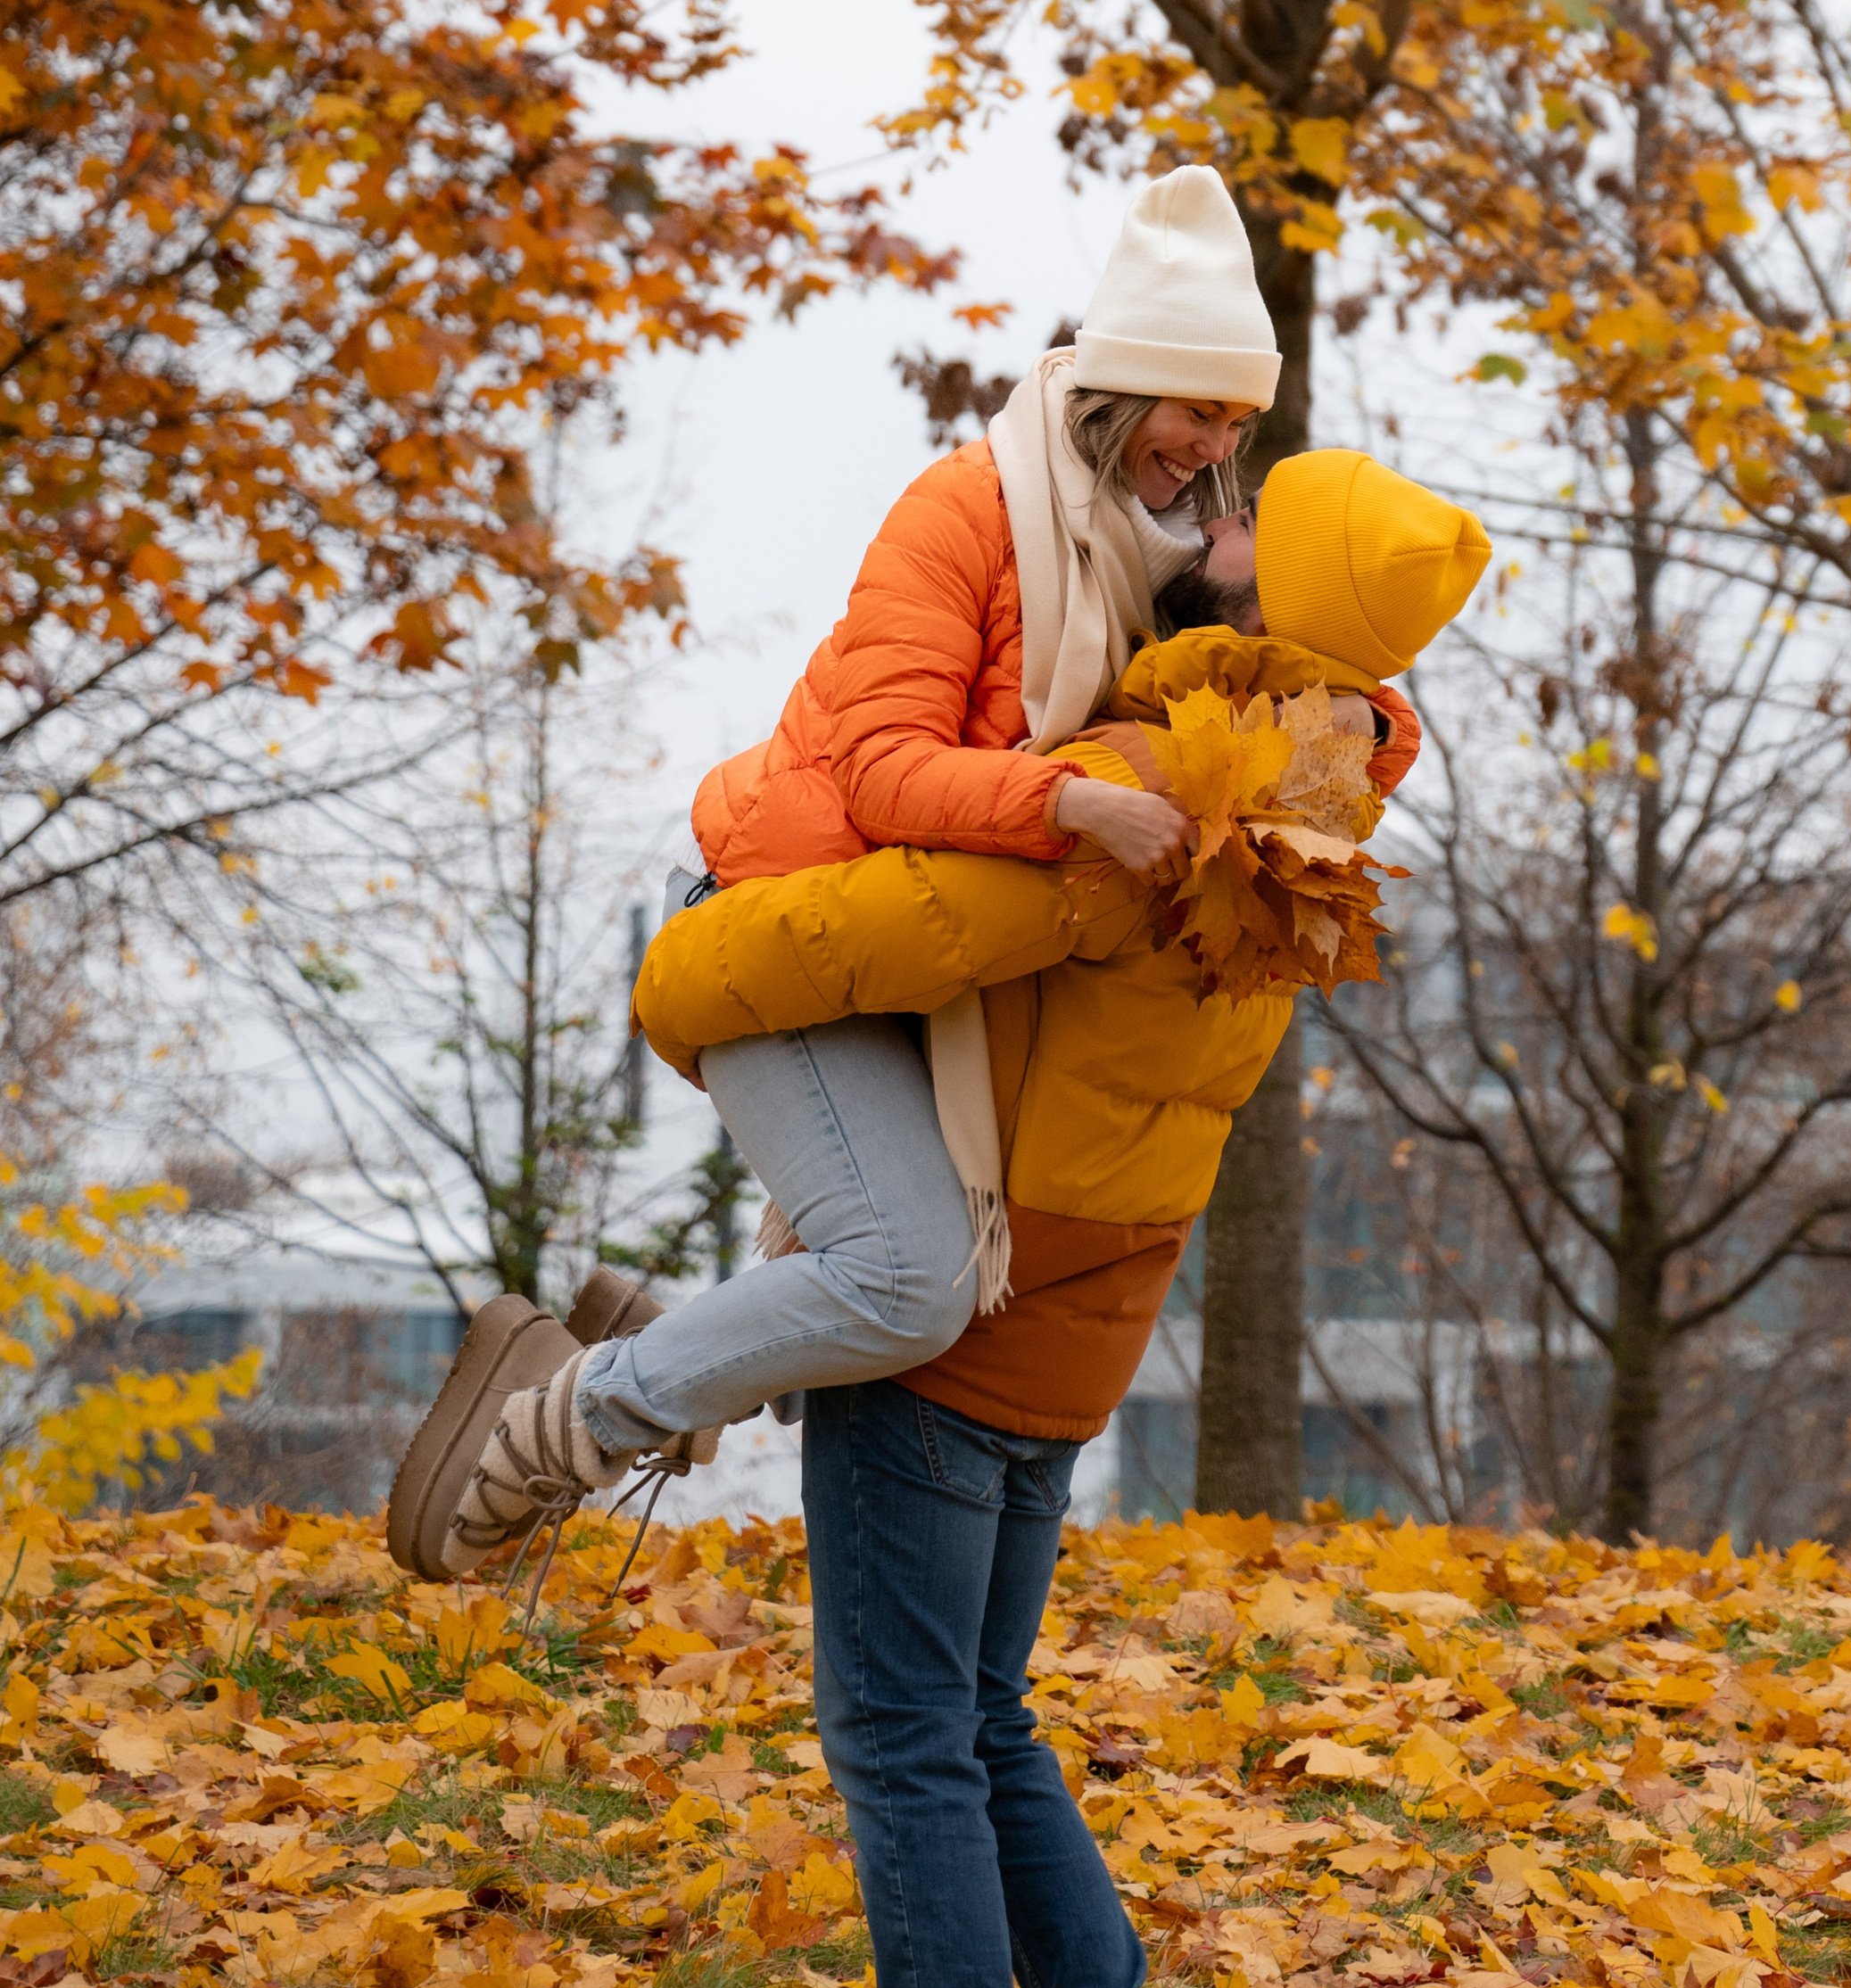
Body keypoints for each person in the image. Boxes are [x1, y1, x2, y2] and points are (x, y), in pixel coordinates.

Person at [600, 449, 1488, 1988]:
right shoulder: (1321, 810)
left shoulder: (1138, 795)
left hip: (959, 1325)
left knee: (902, 1747)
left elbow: (856, 931)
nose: (1203, 519)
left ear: (1268, 590)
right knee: (985, 1723)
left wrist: (690, 941)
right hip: (1081, 1332)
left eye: (1242, 518)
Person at [387, 171, 1417, 1583]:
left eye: (1238, 423)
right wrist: (1069, 804)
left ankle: (637, 1355)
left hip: (918, 966)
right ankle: (568, 1419)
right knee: (912, 1281)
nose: (1214, 447)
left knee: (886, 1313)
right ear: (1124, 385)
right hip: (786, 928)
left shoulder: (1159, 568)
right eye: (1197, 411)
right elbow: (879, 769)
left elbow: (1279, 699)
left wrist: (1368, 715)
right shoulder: (965, 510)